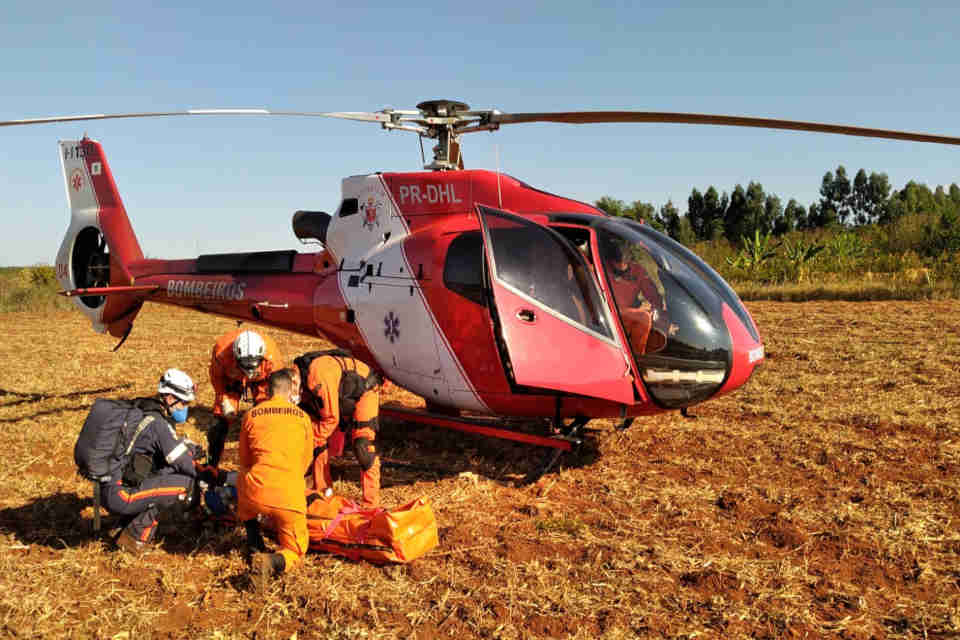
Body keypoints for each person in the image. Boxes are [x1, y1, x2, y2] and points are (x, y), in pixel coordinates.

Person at [103, 368, 202, 554]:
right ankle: (134, 540)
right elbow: (185, 464)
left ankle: (122, 526)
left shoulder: (141, 409)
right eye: (184, 403)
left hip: (109, 485)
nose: (185, 408)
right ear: (171, 398)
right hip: (119, 494)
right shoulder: (158, 423)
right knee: (186, 484)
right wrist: (212, 477)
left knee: (165, 473)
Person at [236, 369, 313, 586]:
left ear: (268, 390)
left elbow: (244, 459)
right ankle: (272, 561)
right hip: (288, 497)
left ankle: (253, 540)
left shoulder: (251, 415)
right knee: (295, 551)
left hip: (254, 495)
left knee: (243, 475)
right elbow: (305, 461)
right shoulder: (304, 418)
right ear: (291, 391)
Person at [294, 351, 382, 507]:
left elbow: (331, 420)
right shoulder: (294, 378)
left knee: (363, 446)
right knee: (315, 438)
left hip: (365, 391)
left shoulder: (317, 378)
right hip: (340, 393)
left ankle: (371, 504)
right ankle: (323, 492)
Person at [208, 328, 283, 467]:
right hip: (232, 379)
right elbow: (217, 377)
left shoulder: (272, 356)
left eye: (252, 366)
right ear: (235, 356)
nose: (249, 373)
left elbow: (277, 385)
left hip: (263, 381)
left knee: (267, 417)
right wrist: (223, 398)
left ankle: (264, 460)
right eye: (245, 367)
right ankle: (212, 464)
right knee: (220, 421)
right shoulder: (221, 352)